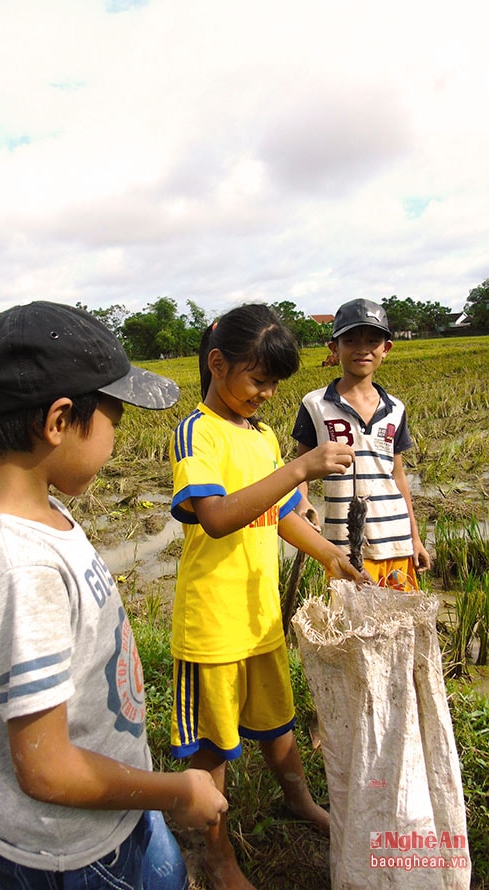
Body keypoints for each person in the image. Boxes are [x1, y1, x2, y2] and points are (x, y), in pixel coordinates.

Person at [0, 301, 228, 890]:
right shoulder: (23, 570)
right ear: (58, 420)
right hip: (78, 852)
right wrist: (176, 791)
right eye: (115, 420)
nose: (116, 439)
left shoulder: (45, 510)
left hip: (111, 807)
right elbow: (46, 770)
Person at [168, 304, 367, 890]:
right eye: (258, 380)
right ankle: (218, 857)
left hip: (260, 620)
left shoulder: (263, 435)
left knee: (277, 726)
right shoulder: (196, 431)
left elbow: (280, 514)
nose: (266, 394)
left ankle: (300, 802)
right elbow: (220, 517)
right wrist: (302, 466)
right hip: (212, 626)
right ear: (217, 364)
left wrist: (329, 553)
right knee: (213, 750)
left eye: (274, 385)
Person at [292, 298, 430, 590]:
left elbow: (398, 476)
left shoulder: (396, 409)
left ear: (386, 349)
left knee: (398, 629)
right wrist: (302, 504)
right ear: (334, 348)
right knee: (353, 629)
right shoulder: (315, 404)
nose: (362, 349)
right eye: (351, 340)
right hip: (345, 548)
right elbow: (298, 470)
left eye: (373, 340)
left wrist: (415, 539)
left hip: (397, 544)